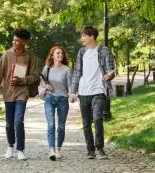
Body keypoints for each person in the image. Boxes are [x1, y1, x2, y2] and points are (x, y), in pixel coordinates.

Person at [70, 26, 115, 159]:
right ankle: (90, 150)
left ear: (91, 36)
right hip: (84, 91)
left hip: (99, 91)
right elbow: (77, 72)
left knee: (97, 118)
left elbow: (111, 70)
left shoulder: (104, 51)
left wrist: (109, 76)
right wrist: (73, 90)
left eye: (84, 36)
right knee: (86, 122)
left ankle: (100, 148)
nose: (82, 38)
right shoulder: (81, 52)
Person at [0, 28, 38, 160]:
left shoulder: (30, 57)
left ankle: (20, 149)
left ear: (24, 42)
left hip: (22, 92)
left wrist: (22, 80)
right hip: (8, 92)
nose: (14, 42)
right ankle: (10, 146)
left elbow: (35, 76)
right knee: (9, 123)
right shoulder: (6, 55)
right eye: (14, 40)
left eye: (17, 40)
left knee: (18, 120)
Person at [38, 46, 71, 161]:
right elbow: (42, 84)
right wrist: (46, 86)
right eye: (58, 53)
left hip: (63, 99)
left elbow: (70, 85)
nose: (60, 55)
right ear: (52, 55)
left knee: (61, 127)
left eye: (61, 53)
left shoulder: (67, 70)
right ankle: (51, 150)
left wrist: (72, 94)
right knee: (51, 124)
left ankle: (58, 149)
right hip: (50, 98)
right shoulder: (47, 69)